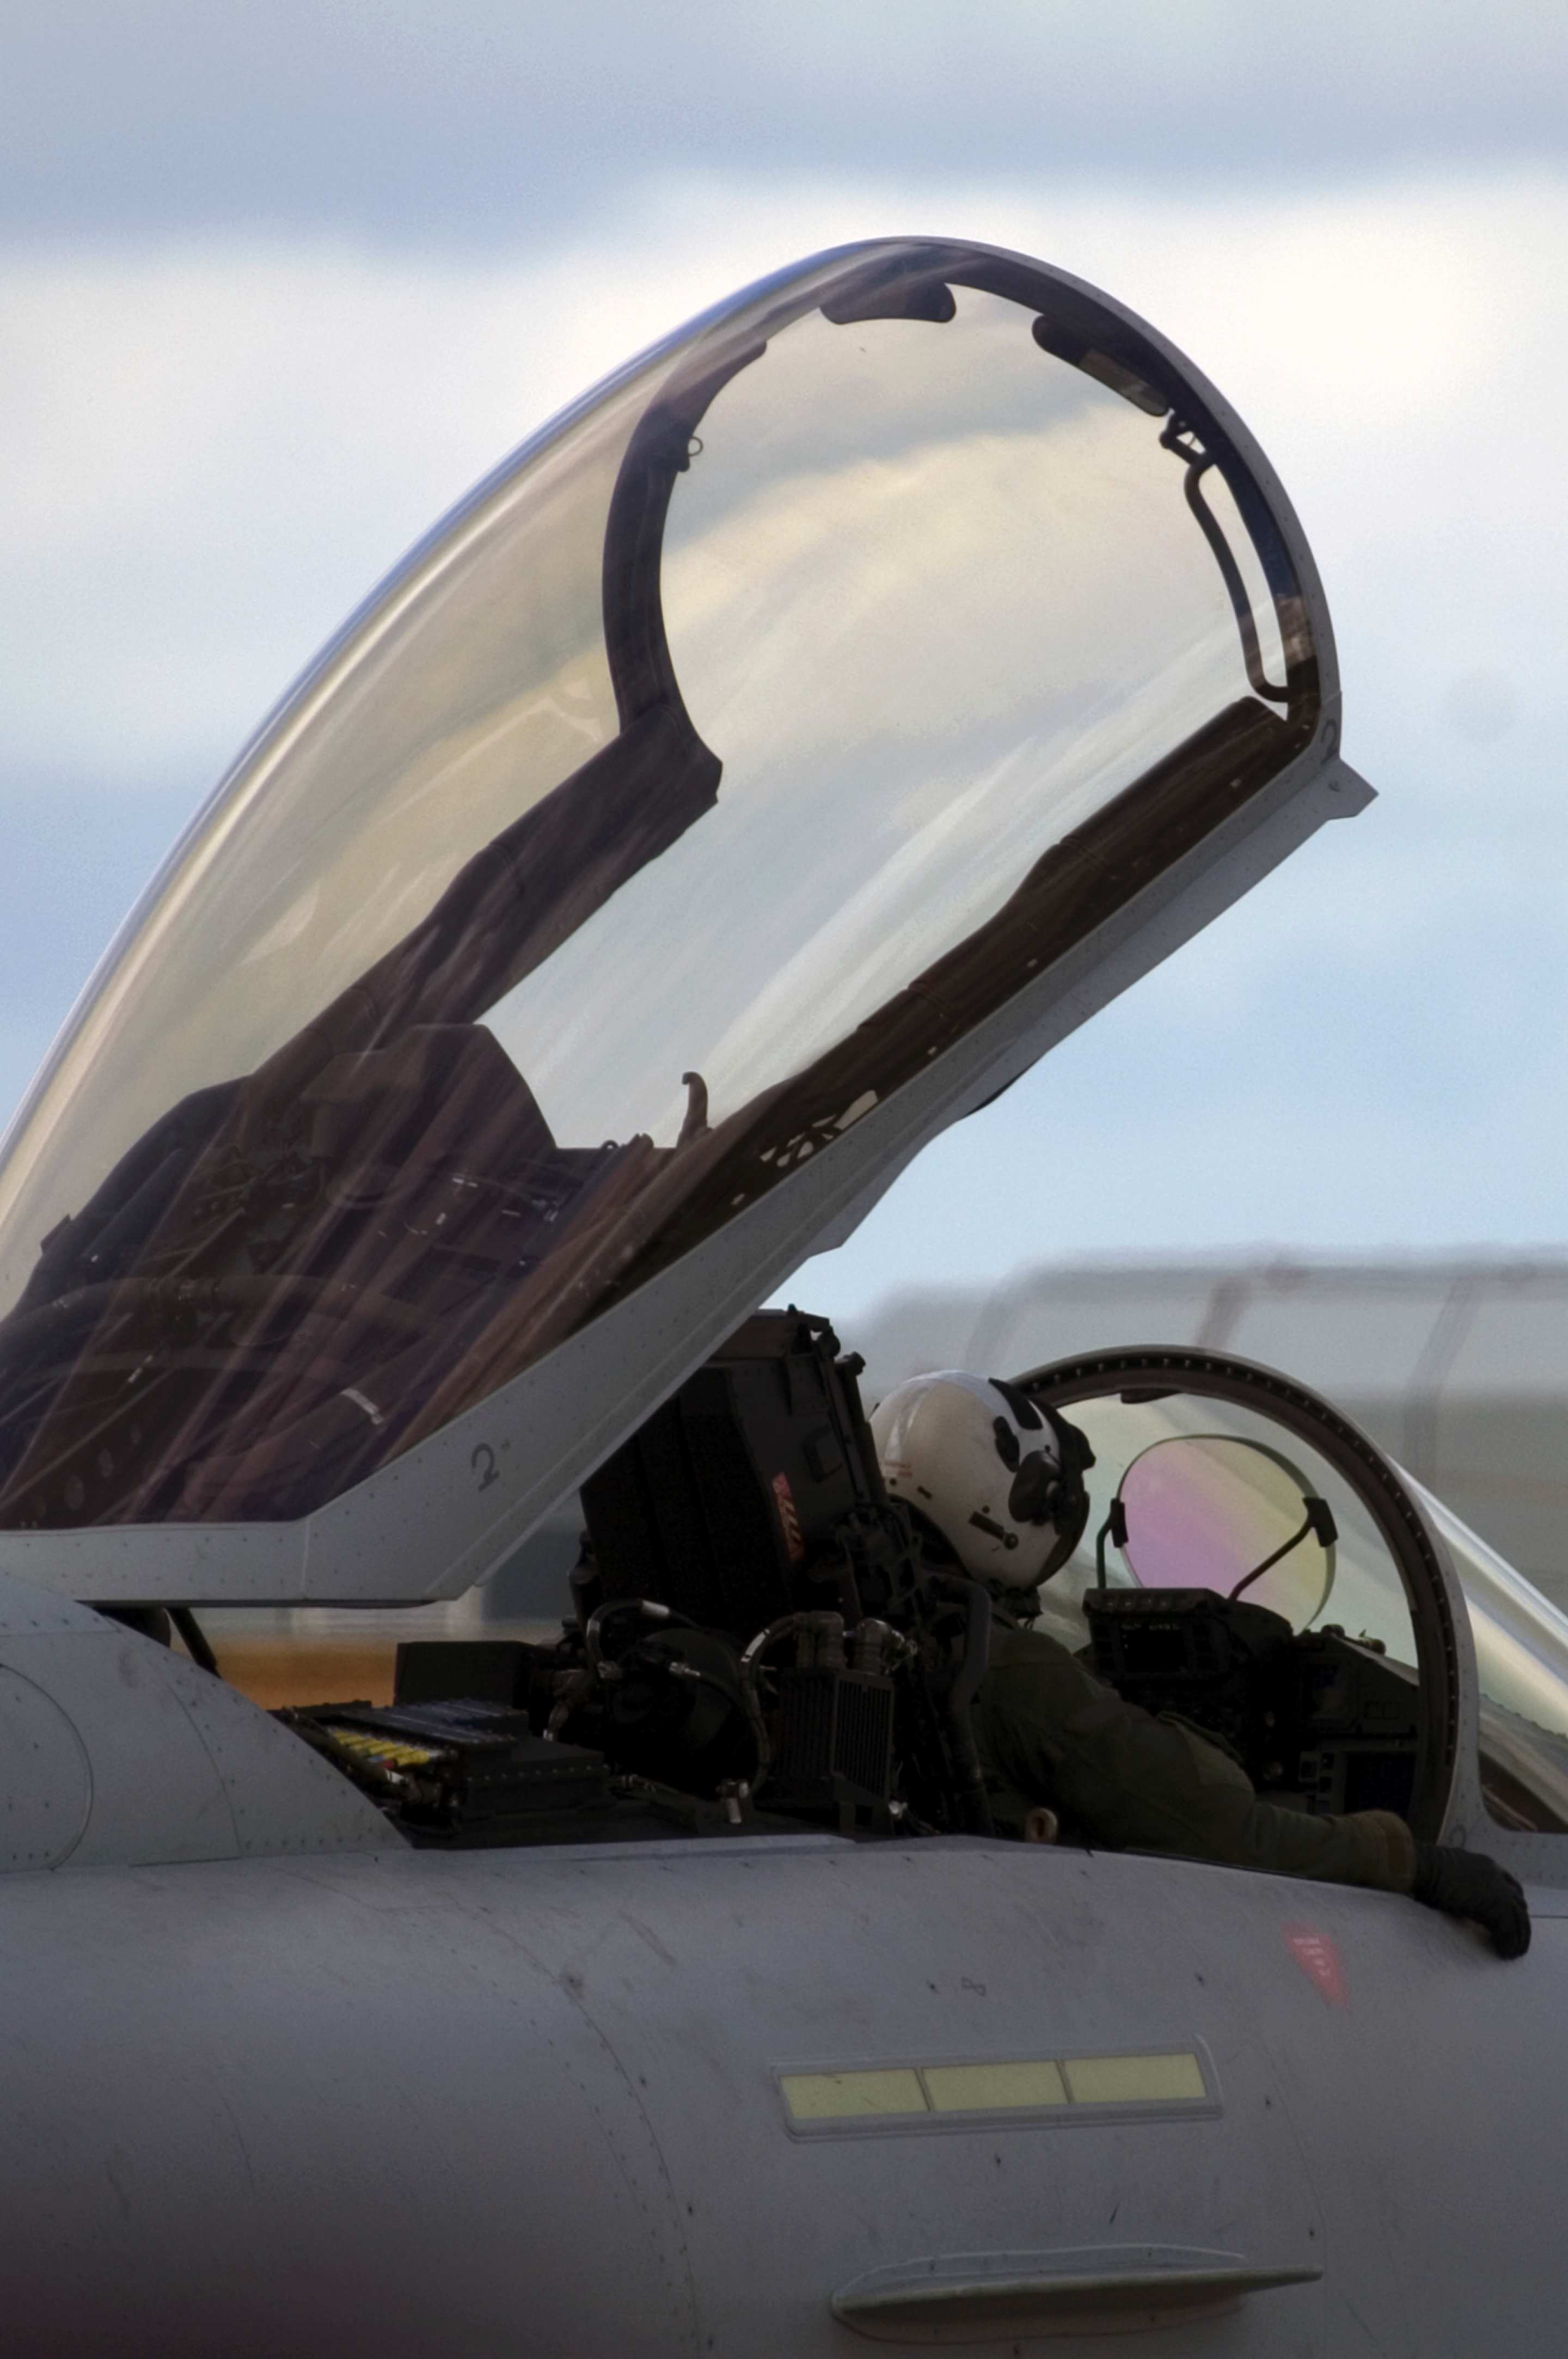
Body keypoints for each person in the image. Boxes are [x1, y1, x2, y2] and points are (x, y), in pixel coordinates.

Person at [870, 1371, 1530, 1959]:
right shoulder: (1007, 1670)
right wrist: (1419, 1865)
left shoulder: (863, 1637)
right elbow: (1221, 1831)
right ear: (1012, 1503)